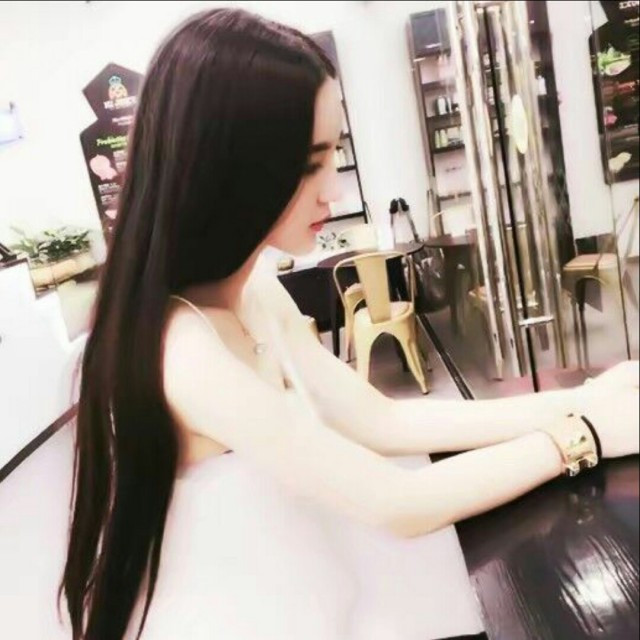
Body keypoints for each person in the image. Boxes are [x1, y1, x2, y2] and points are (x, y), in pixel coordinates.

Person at [59, 8, 640, 640]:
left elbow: (382, 420)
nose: (332, 191)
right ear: (227, 166)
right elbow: (395, 502)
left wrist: (580, 400)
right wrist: (582, 435)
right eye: (309, 164)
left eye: (333, 155)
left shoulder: (254, 289)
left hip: (316, 598)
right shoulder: (180, 347)